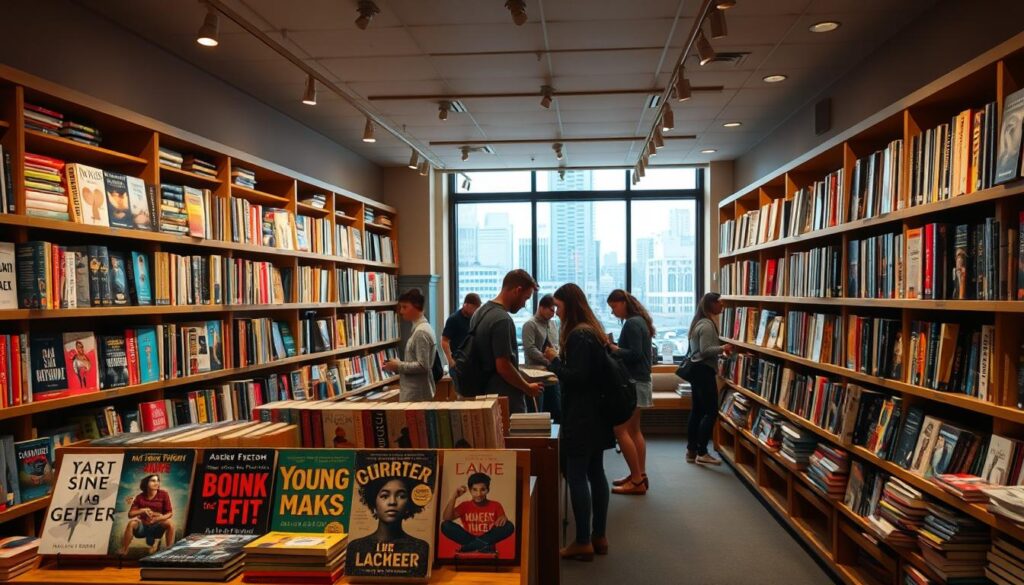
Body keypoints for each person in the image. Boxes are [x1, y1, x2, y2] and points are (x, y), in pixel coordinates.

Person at [543, 283, 614, 561]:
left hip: (581, 416)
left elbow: (577, 377)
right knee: (596, 472)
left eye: (559, 307)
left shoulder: (578, 335)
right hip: (598, 414)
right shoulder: (592, 331)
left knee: (576, 475)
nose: (556, 312)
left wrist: (554, 361)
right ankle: (599, 536)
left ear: (569, 306)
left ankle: (583, 540)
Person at [469, 269, 543, 413]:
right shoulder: (502, 319)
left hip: (483, 395)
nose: (524, 305)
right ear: (517, 290)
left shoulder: (480, 313)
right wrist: (528, 388)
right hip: (504, 399)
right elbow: (503, 366)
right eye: (526, 298)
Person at [606, 289, 654, 495]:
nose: (613, 312)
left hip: (634, 382)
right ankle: (639, 475)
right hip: (641, 381)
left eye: (614, 307)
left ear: (623, 303)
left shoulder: (632, 323)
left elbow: (634, 354)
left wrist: (613, 348)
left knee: (621, 430)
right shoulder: (639, 321)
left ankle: (636, 480)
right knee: (634, 431)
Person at [348, 475, 430, 578]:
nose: (392, 502)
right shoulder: (356, 548)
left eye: (401, 496)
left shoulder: (420, 548)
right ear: (374, 505)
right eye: (384, 496)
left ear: (409, 505)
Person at [684, 292, 732, 465]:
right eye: (719, 303)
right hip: (704, 371)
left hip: (696, 371)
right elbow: (705, 350)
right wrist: (723, 348)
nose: (722, 306)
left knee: (697, 410)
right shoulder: (707, 325)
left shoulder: (698, 322)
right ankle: (702, 452)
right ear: (711, 304)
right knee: (711, 412)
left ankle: (691, 450)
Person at [383, 288, 437, 401]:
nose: (401, 311)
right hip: (415, 392)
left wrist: (398, 365)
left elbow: (423, 366)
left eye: (405, 307)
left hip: (416, 395)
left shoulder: (421, 332)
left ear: (416, 306)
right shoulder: (420, 328)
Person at [440, 472, 514, 554]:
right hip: (468, 538)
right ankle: (482, 546)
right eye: (475, 490)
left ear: (488, 490)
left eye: (483, 490)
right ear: (470, 490)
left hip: (488, 537)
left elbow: (502, 523)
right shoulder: (465, 505)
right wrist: (454, 497)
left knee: (509, 526)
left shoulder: (496, 505)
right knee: (445, 525)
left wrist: (503, 518)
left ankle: (470, 547)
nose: (478, 494)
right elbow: (446, 518)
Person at [521, 294, 561, 421]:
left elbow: (556, 345)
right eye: (551, 310)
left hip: (552, 373)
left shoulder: (553, 324)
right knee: (538, 411)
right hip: (536, 373)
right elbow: (530, 349)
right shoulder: (530, 324)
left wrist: (556, 358)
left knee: (556, 409)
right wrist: (549, 360)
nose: (553, 314)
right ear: (541, 307)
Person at [120, 474, 175, 556]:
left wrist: (158, 519)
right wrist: (142, 510)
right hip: (143, 527)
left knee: (170, 524)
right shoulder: (140, 497)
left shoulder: (164, 494)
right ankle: (124, 550)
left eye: (157, 481)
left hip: (157, 527)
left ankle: (169, 551)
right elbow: (130, 514)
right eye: (153, 481)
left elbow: (170, 513)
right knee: (132, 523)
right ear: (146, 483)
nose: (156, 483)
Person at [441, 293, 482, 368]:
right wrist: (450, 360)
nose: (475, 311)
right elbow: (444, 341)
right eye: (474, 308)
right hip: (457, 362)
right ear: (466, 305)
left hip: (472, 361)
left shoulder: (475, 319)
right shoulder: (453, 319)